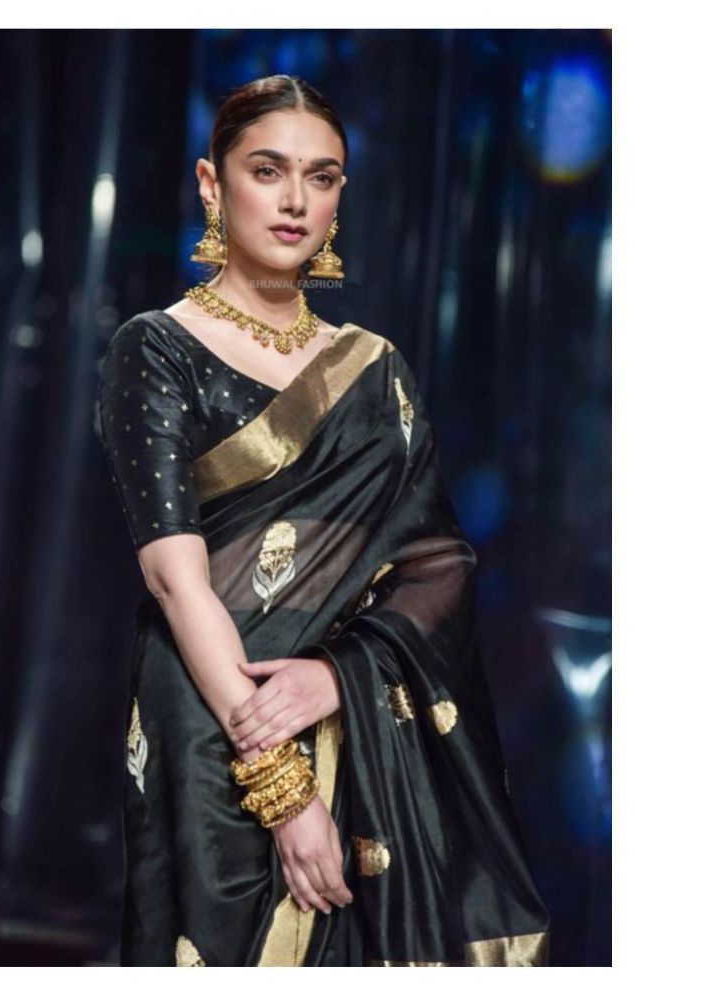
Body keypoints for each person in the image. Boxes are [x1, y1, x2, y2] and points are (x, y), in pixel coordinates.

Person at [96, 74, 550, 967]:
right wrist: (278, 781)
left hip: (361, 721)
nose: (296, 200)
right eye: (268, 170)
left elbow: (438, 564)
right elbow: (175, 580)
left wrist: (337, 677)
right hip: (217, 715)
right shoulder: (155, 349)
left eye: (323, 176)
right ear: (211, 182)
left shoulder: (373, 370)